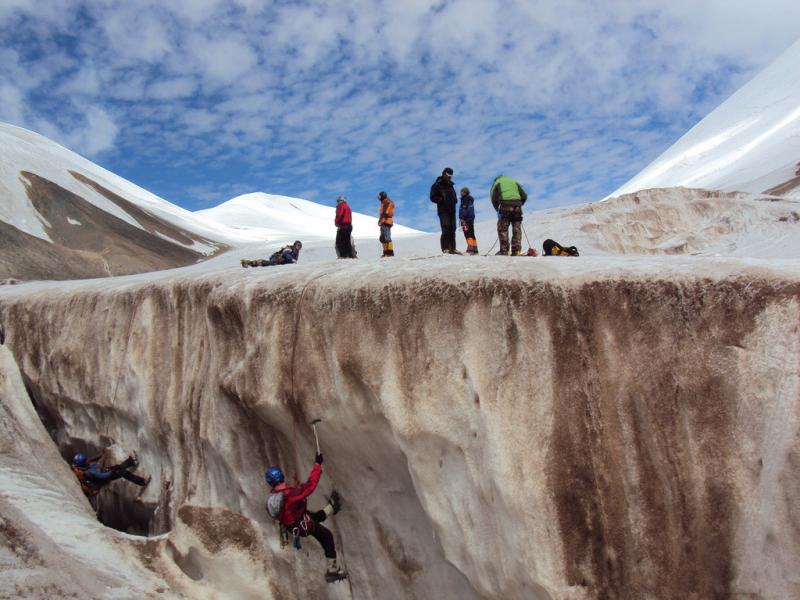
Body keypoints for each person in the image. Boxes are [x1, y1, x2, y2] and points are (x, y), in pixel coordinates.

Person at [266, 454, 346, 583]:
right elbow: (310, 486)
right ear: (281, 476)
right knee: (326, 536)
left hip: (293, 525)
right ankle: (332, 570)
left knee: (313, 517)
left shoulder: (274, 498)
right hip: (302, 525)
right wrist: (317, 465)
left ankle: (332, 508)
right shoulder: (289, 494)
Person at [71, 451, 150, 498]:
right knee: (123, 472)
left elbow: (90, 461)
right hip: (104, 477)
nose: (87, 461)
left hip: (102, 472)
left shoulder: (80, 468)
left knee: (118, 467)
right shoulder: (90, 471)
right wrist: (111, 471)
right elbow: (103, 476)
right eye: (85, 461)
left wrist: (100, 455)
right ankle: (142, 481)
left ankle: (132, 461)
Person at [490, 175, 527, 256]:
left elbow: (494, 198)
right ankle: (516, 251)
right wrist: (519, 204)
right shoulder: (514, 181)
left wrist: (497, 209)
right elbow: (524, 196)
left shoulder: (497, 183)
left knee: (503, 228)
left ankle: (504, 250)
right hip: (517, 207)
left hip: (505, 206)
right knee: (516, 229)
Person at [430, 167, 461, 254]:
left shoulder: (451, 185)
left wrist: (455, 200)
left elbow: (453, 195)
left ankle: (453, 248)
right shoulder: (436, 184)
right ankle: (445, 248)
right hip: (443, 210)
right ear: (443, 174)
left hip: (452, 209)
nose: (449, 177)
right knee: (446, 227)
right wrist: (441, 199)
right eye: (448, 175)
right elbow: (432, 197)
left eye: (451, 175)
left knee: (452, 228)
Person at [459, 187, 479, 255]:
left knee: (467, 233)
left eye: (462, 191)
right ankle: (475, 250)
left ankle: (470, 250)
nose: (461, 193)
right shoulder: (469, 200)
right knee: (472, 234)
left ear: (465, 192)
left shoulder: (465, 199)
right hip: (471, 219)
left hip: (466, 219)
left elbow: (464, 210)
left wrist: (462, 219)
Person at [378, 191, 395, 257]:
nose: (379, 197)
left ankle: (390, 252)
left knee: (386, 237)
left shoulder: (386, 202)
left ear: (382, 196)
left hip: (386, 221)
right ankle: (385, 252)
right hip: (386, 221)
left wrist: (381, 221)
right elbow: (383, 213)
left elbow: (385, 213)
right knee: (383, 237)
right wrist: (380, 221)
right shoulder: (384, 202)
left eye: (379, 196)